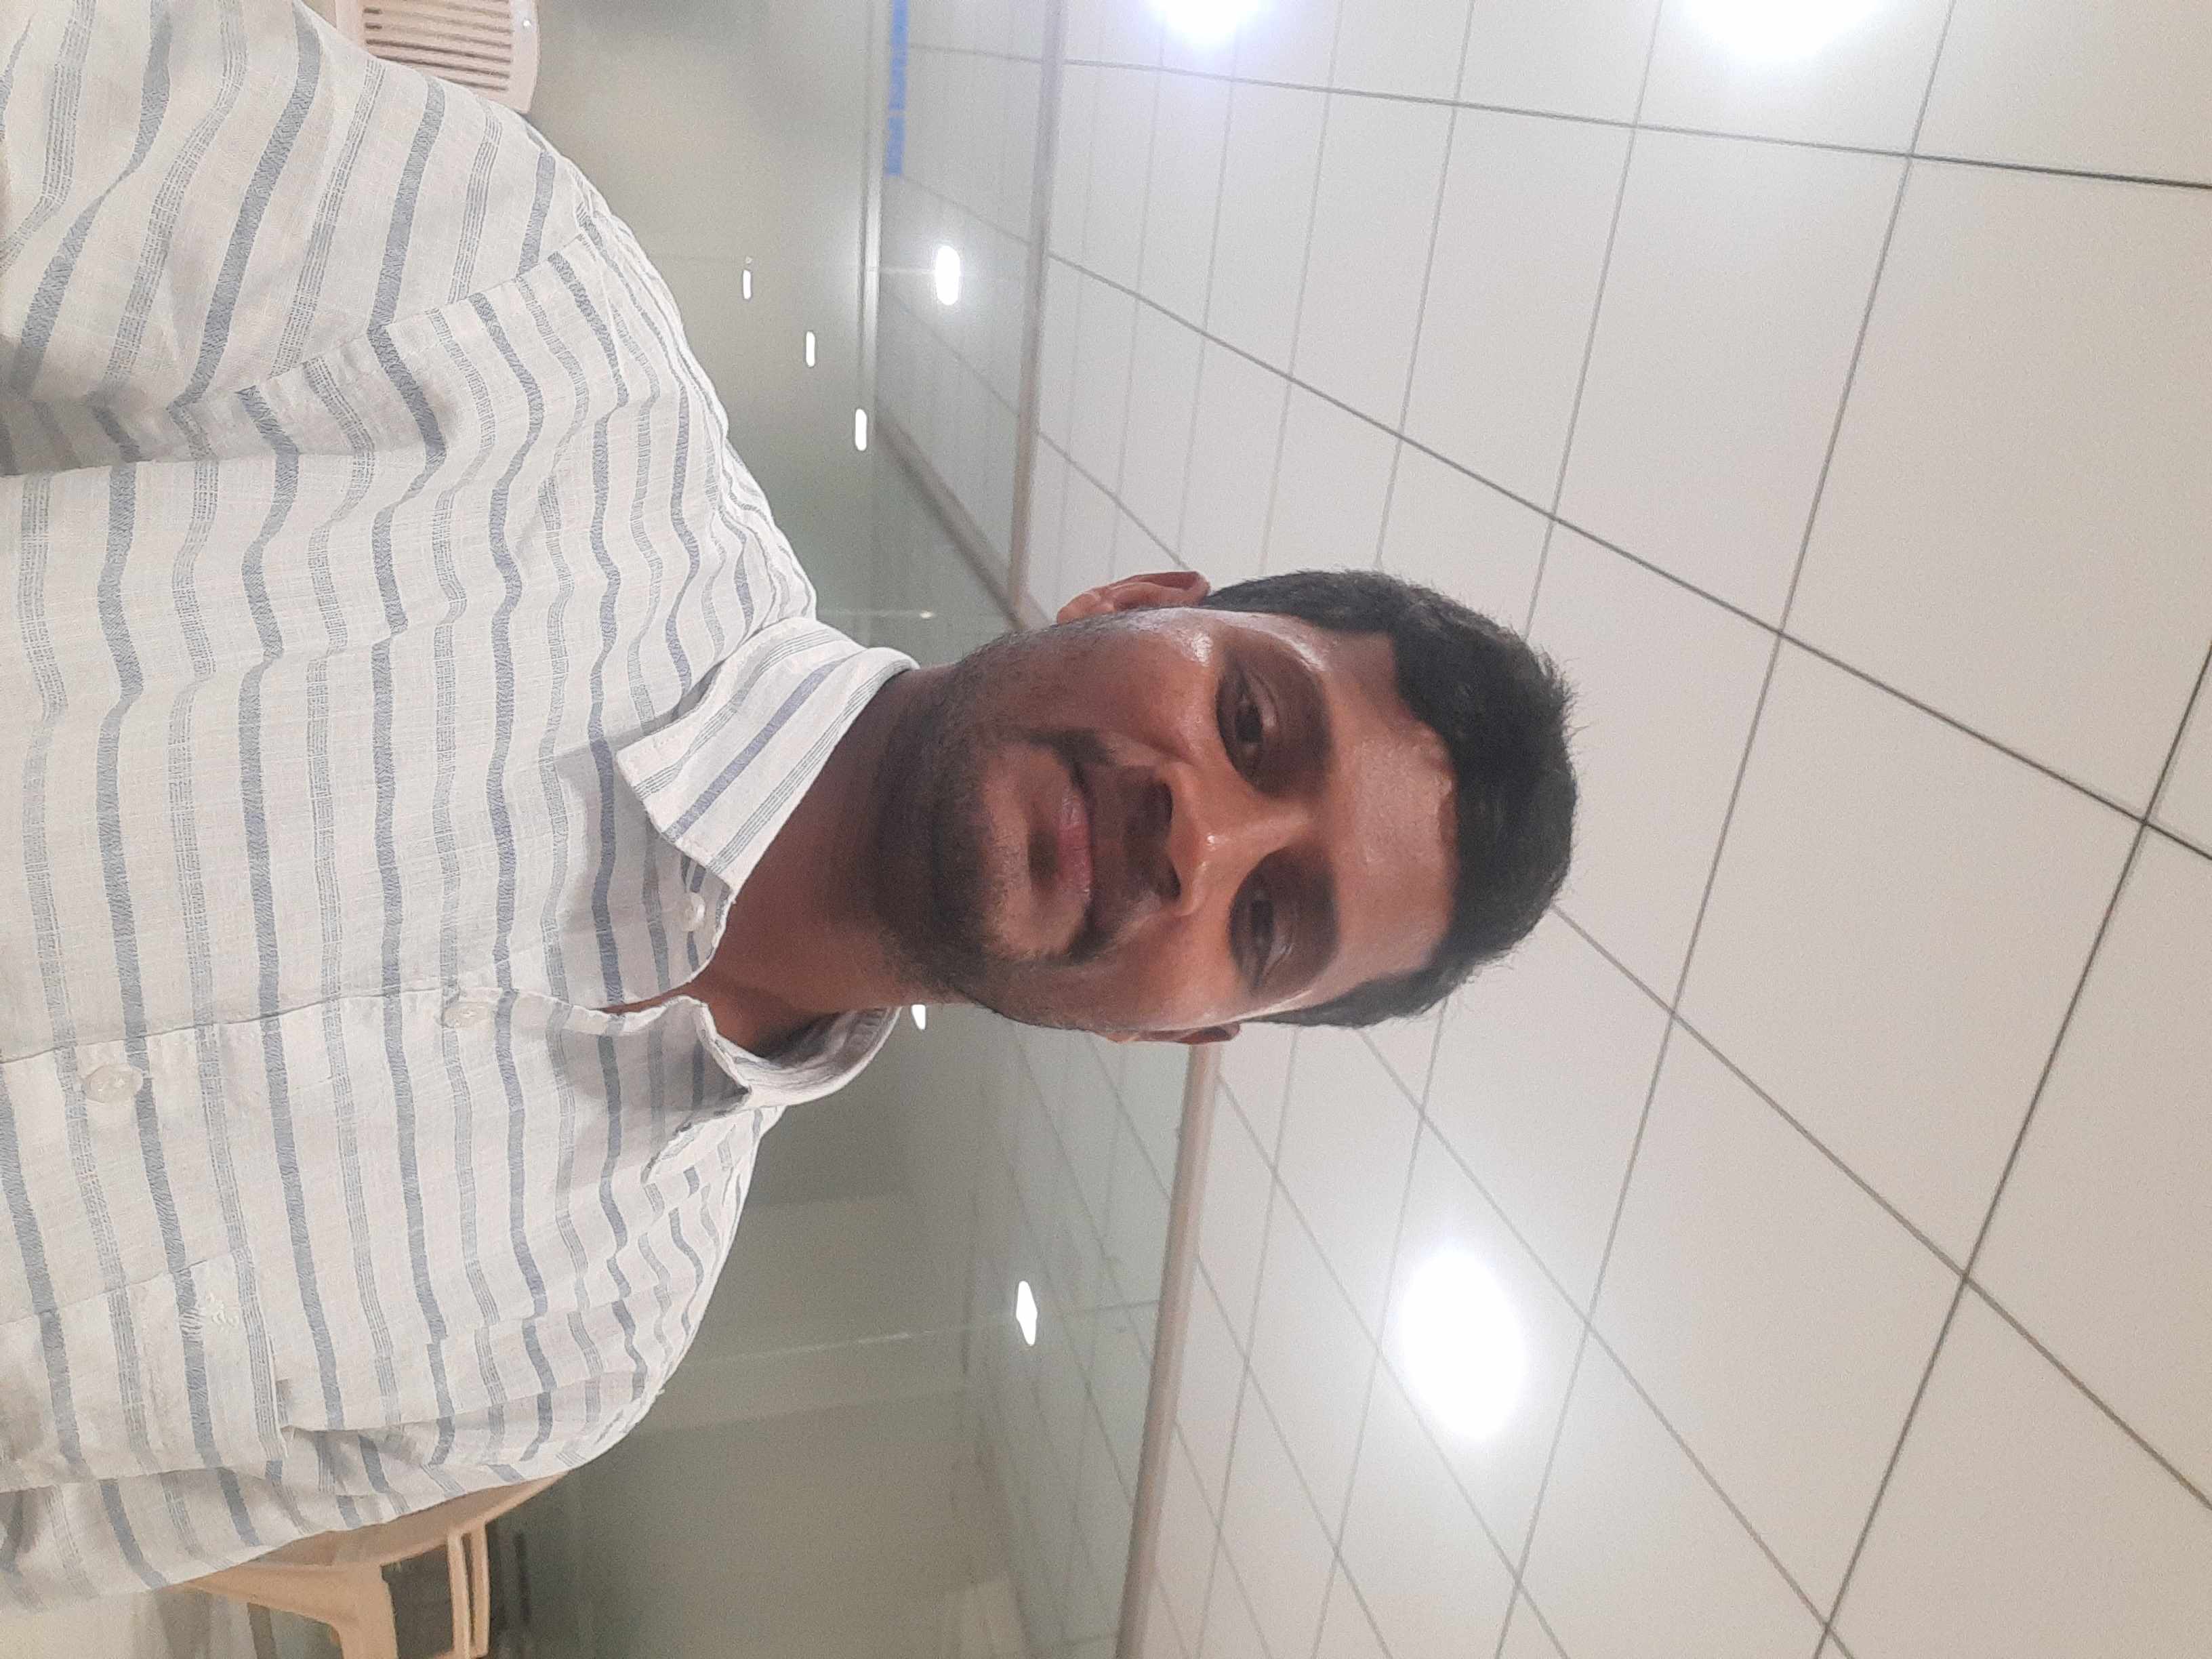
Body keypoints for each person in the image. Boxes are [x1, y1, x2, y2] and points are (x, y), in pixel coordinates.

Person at [0, 0, 1575, 1606]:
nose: (1202, 842)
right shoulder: (522, 319)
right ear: (1129, 602)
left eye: (1267, 920)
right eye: (1250, 721)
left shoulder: (586, 1342)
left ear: (1178, 1033)